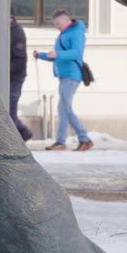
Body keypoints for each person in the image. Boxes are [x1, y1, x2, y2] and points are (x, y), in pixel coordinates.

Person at [34, 9, 93, 151]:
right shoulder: (64, 34)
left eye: (58, 23)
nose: (57, 26)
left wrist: (57, 54)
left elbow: (76, 53)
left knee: (66, 108)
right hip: (64, 75)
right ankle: (61, 142)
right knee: (62, 109)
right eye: (55, 24)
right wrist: (41, 55)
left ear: (67, 21)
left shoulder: (76, 33)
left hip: (72, 75)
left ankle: (84, 139)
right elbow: (56, 56)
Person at [8, 15, 33, 141]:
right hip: (9, 76)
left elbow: (20, 60)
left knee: (10, 107)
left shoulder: (17, 33)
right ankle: (23, 133)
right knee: (7, 107)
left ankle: (13, 139)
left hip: (15, 77)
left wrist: (7, 71)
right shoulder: (6, 30)